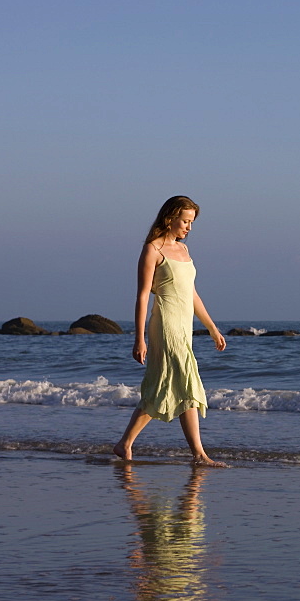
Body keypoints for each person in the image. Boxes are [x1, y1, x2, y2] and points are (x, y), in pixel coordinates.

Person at [113, 195, 228, 467]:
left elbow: (191, 294)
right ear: (170, 217)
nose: (189, 227)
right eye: (185, 221)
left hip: (184, 326)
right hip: (165, 324)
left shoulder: (184, 251)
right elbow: (142, 296)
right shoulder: (153, 249)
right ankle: (198, 454)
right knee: (181, 382)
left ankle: (125, 444)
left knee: (175, 385)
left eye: (191, 222)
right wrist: (139, 338)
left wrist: (211, 327)